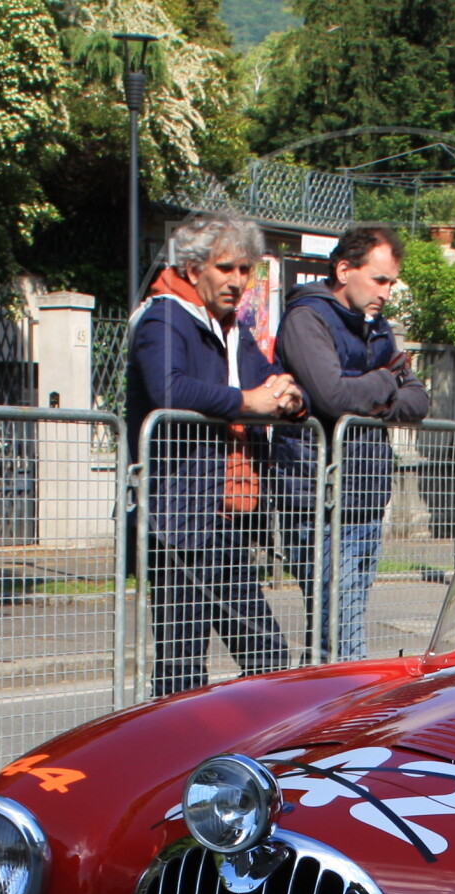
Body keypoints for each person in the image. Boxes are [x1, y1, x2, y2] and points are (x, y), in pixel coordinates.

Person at [126, 213, 304, 697]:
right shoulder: (163, 318)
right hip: (178, 518)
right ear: (192, 268)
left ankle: (236, 742)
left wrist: (291, 397)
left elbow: (273, 381)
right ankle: (176, 744)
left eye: (245, 270)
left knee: (268, 656)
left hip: (226, 518)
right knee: (182, 671)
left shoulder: (233, 329)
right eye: (225, 268)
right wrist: (248, 402)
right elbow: (168, 389)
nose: (237, 281)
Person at [275, 224, 429, 662]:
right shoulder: (307, 318)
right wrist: (384, 382)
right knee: (337, 633)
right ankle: (340, 701)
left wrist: (371, 398)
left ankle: (340, 697)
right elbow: (333, 397)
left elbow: (418, 400)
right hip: (318, 497)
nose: (386, 292)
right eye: (379, 280)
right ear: (344, 270)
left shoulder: (377, 327)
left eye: (391, 282)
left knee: (347, 626)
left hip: (366, 494)